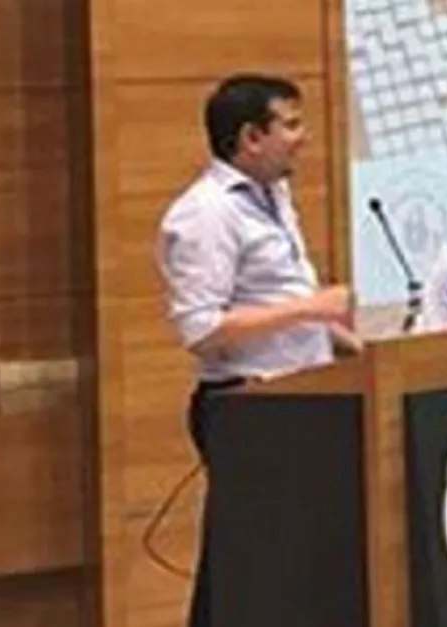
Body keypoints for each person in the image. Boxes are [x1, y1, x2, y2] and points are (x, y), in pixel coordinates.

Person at [155, 72, 362, 627]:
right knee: (251, 564)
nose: (304, 137)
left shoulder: (273, 196)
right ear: (251, 137)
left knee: (285, 562)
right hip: (247, 403)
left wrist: (344, 343)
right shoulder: (205, 214)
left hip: (299, 396)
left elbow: (273, 300)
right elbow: (201, 328)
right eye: (290, 125)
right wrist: (313, 309)